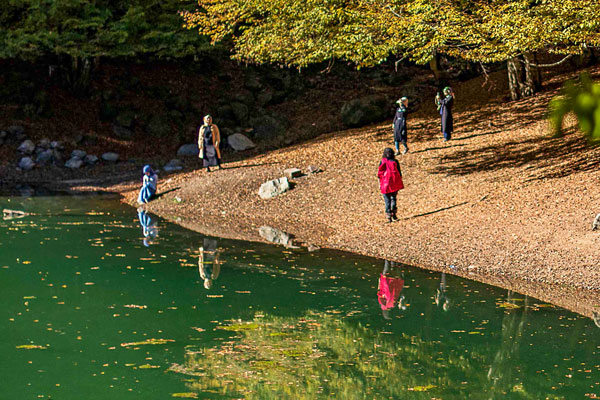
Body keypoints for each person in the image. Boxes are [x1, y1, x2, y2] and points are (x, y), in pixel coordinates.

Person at [377, 148, 404, 223]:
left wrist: (380, 183)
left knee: (387, 200)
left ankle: (388, 216)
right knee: (393, 198)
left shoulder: (382, 162)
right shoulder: (395, 162)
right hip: (394, 183)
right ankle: (394, 214)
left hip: (385, 184)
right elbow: (399, 173)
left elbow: (379, 174)